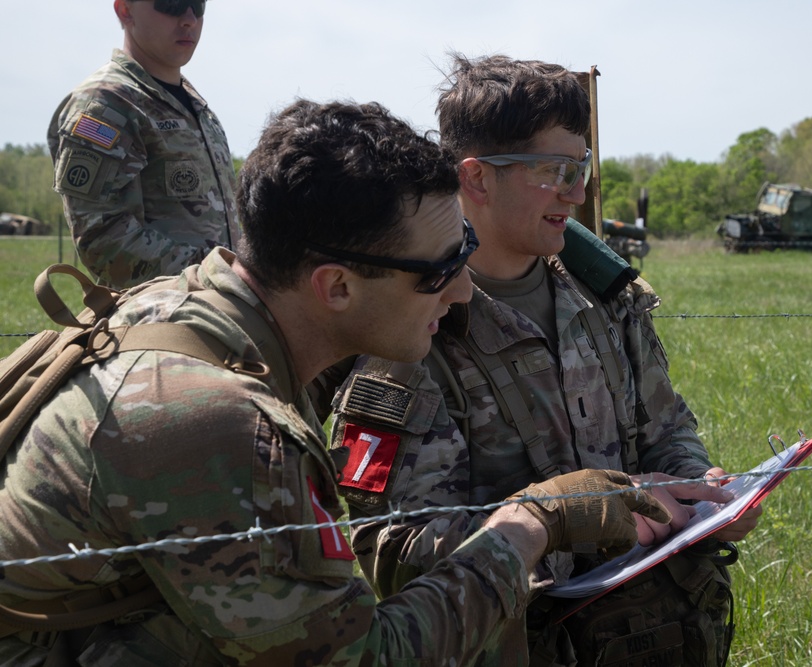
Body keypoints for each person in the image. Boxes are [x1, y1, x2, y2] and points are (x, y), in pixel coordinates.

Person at [0, 100, 724, 666]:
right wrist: (536, 520)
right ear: (337, 287)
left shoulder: (195, 305)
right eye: (439, 271)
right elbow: (364, 656)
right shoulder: (208, 421)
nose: (465, 292)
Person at [329, 54, 763, 666]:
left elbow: (667, 431)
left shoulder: (604, 297)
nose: (577, 191)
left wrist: (702, 498)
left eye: (579, 166)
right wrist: (585, 528)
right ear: (477, 179)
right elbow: (398, 552)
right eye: (554, 170)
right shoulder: (412, 332)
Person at [47, 0, 240, 289]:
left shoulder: (194, 105)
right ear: (125, 10)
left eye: (197, 5)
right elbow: (104, 243)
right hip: (159, 318)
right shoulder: (105, 104)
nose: (189, 19)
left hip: (217, 307)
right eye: (171, 5)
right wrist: (221, 275)